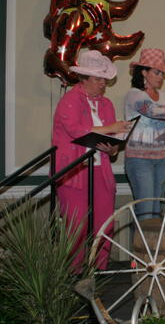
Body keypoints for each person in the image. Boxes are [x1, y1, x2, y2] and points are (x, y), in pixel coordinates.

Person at [52, 50, 131, 270]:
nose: (103, 84)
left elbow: (111, 142)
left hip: (100, 170)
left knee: (104, 225)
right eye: (98, 79)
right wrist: (111, 128)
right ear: (84, 79)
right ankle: (75, 276)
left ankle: (100, 274)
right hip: (74, 172)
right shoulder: (70, 100)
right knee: (76, 227)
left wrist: (113, 147)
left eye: (104, 79)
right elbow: (76, 131)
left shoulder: (106, 104)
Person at [124, 48, 165, 220]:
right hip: (140, 159)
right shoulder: (134, 95)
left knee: (161, 209)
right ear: (144, 72)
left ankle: (157, 247)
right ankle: (140, 247)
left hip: (162, 158)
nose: (161, 77)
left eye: (162, 73)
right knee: (145, 211)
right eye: (156, 72)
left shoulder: (164, 96)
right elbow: (153, 111)